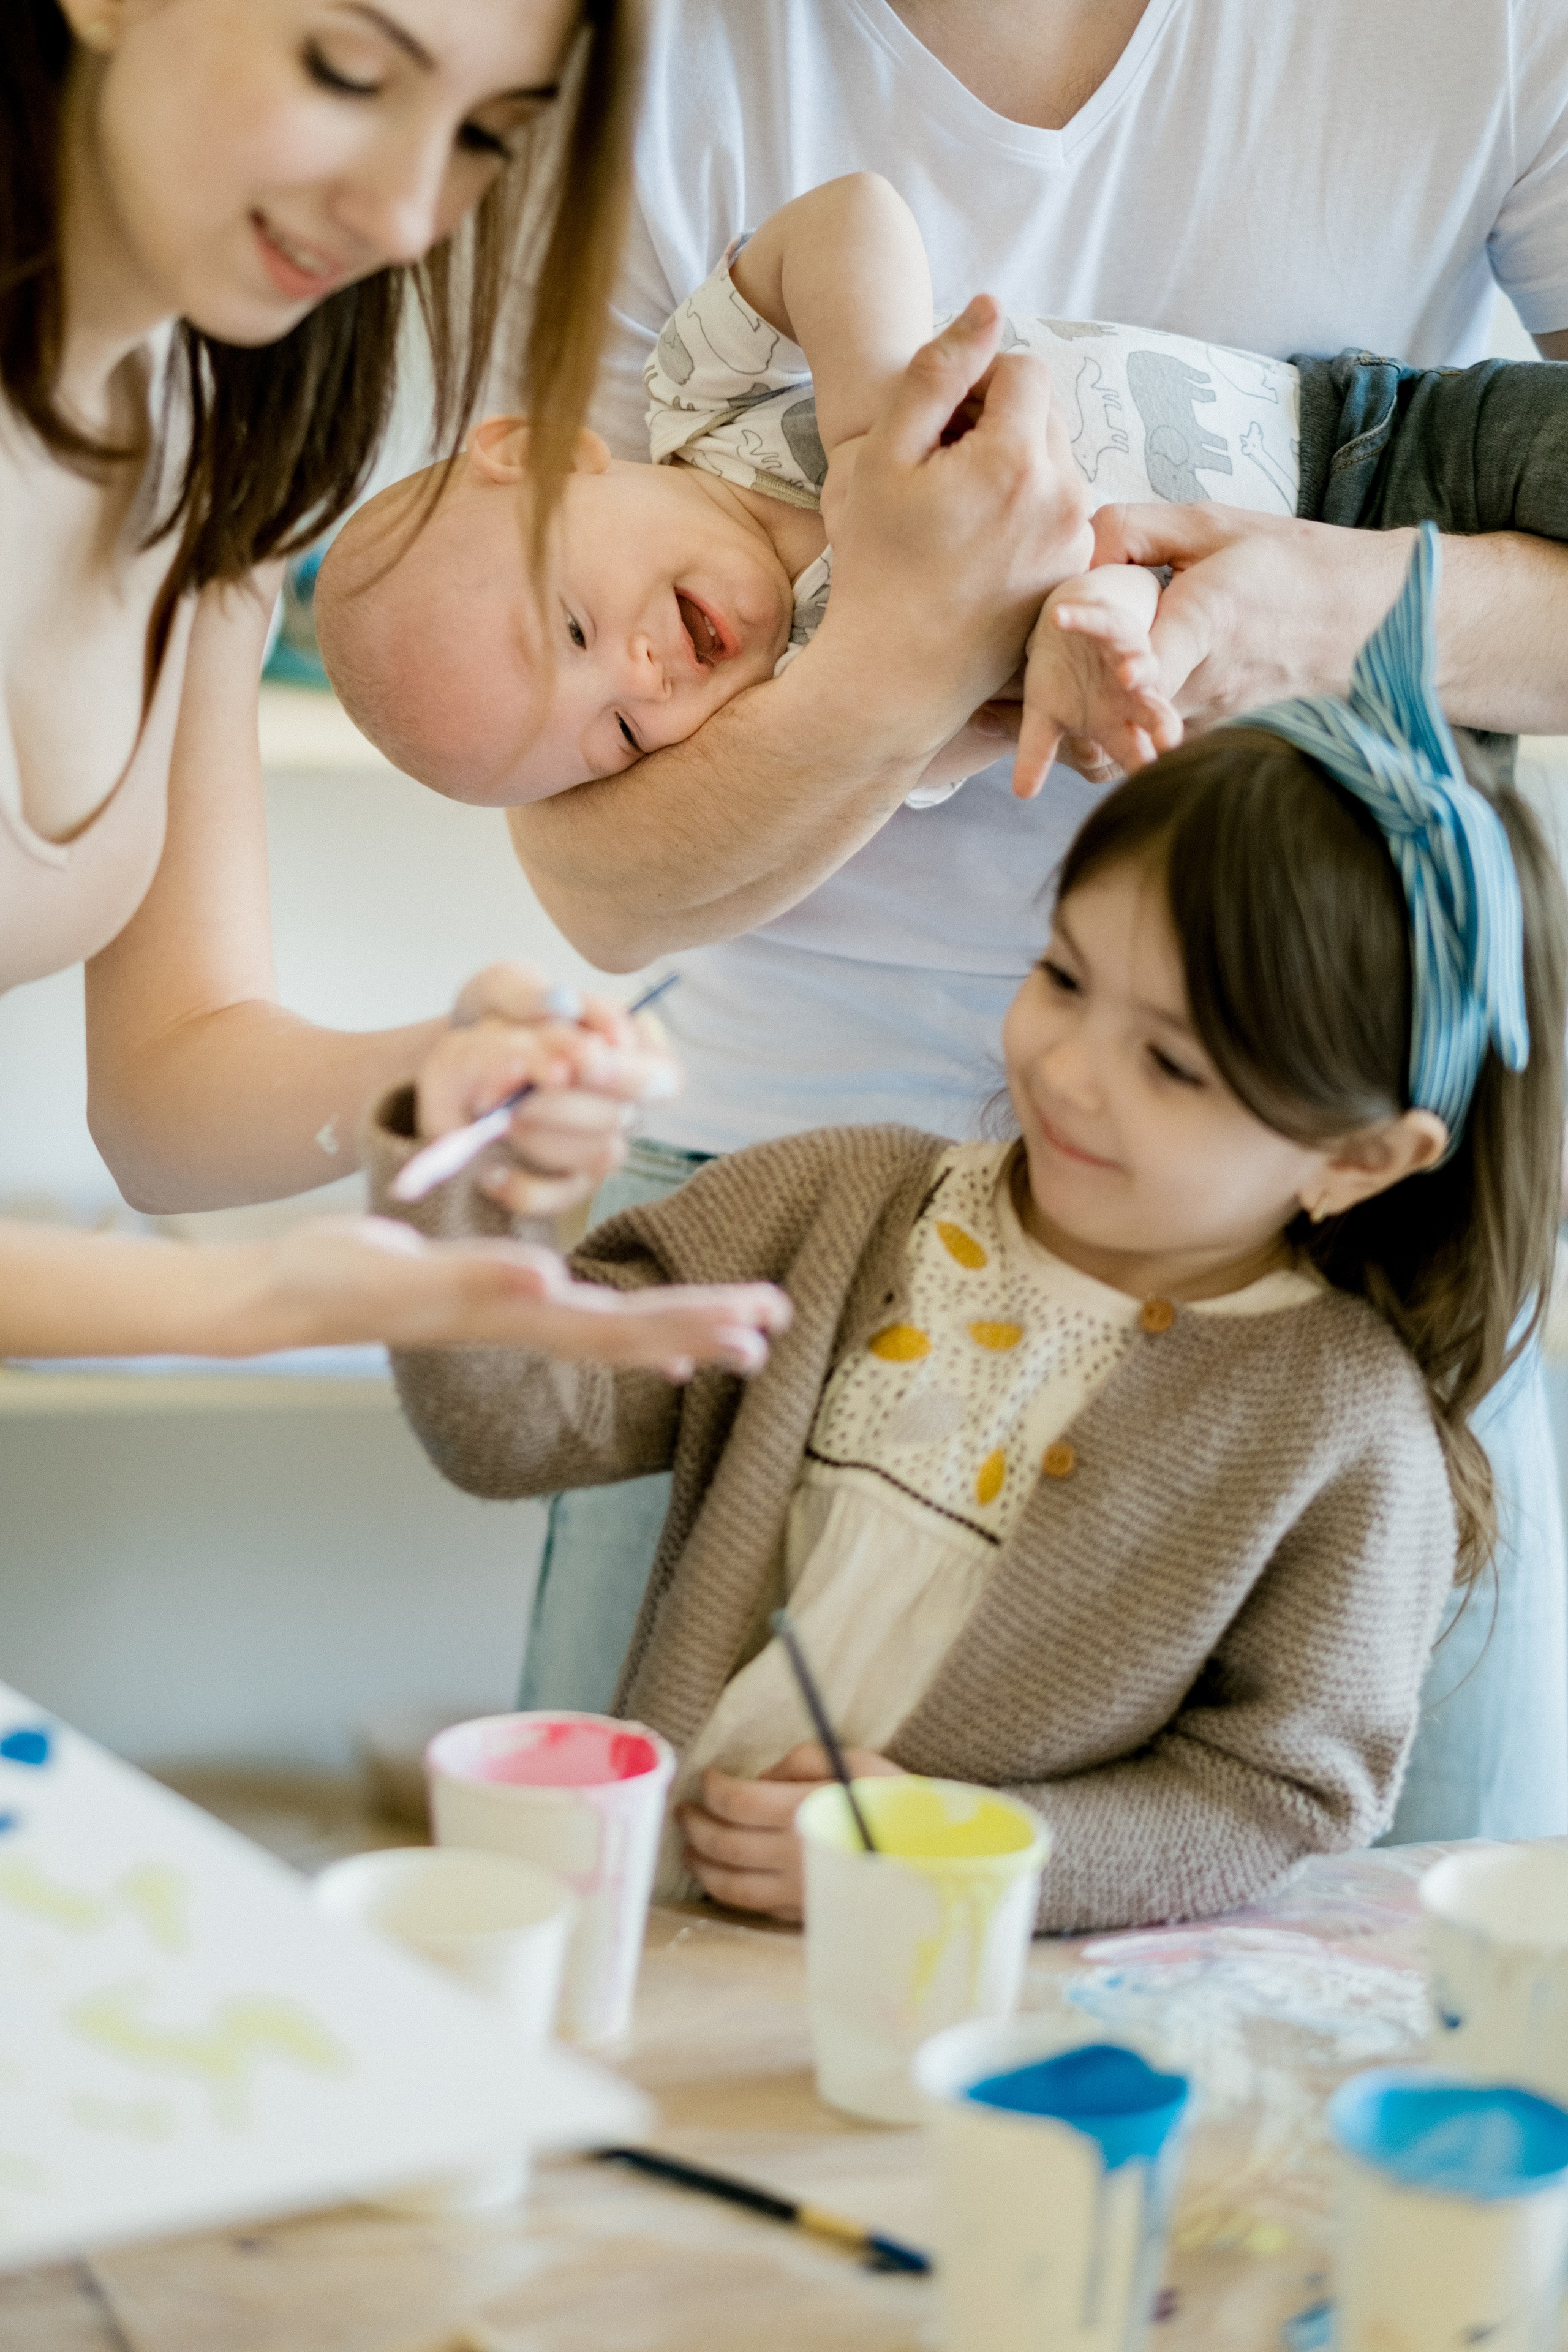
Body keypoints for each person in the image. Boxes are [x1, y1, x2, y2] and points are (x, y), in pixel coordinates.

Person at [465, 0, 1568, 1847]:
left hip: (1332, 1219)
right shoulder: (634, 62)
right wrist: (912, 641)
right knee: (677, 1979)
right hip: (786, 1202)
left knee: (1362, 2033)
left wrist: (1350, 614)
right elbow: (596, 875)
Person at [369, 536, 1567, 1934]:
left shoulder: (1349, 1433)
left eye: (1171, 1064)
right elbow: (510, 1425)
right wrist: (469, 1184)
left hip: (991, 2016)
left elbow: (1275, 1794)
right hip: (690, 1940)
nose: (1067, 1069)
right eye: (1062, 978)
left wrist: (952, 1856)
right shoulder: (834, 1208)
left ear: (1361, 1159)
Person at [0, 0, 791, 1381]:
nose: (410, 215)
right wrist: (254, 1308)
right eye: (348, 72)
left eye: (487, 136)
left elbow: (168, 1096)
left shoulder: (216, 442)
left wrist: (446, 1070)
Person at [318, 168, 1568, 810]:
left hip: (1378, 442)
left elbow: (848, 219)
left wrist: (868, 441)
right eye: (619, 741)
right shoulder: (825, 681)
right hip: (1328, 725)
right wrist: (1074, 685)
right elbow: (974, 735)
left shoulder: (706, 403)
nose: (640, 678)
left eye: (576, 630)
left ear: (537, 462)